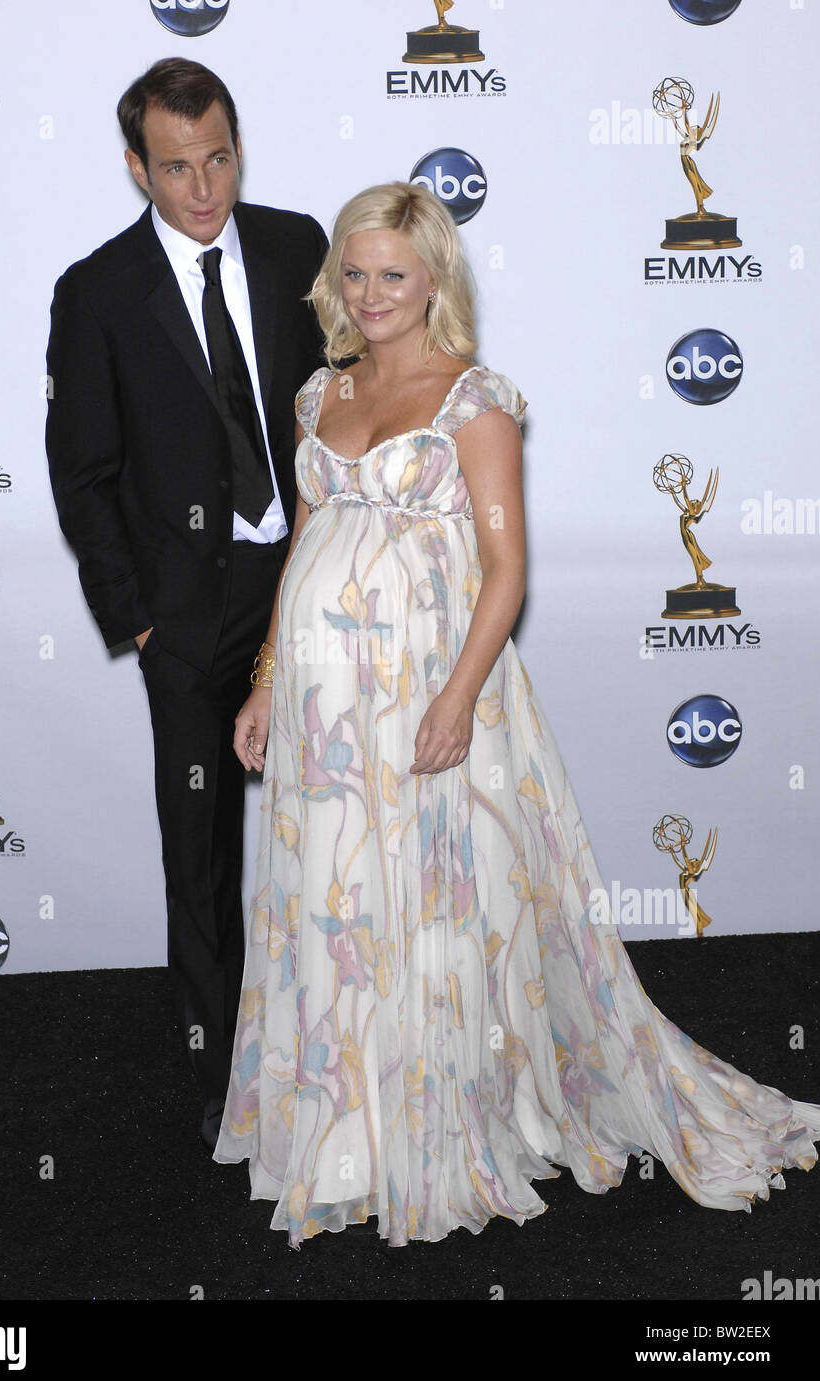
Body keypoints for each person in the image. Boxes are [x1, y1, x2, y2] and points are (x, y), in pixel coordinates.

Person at [212, 181, 820, 1245]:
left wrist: (456, 698)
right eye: (354, 274)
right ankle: (340, 1131)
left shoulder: (474, 402)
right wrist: (266, 676)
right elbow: (303, 547)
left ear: (435, 277)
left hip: (429, 698)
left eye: (393, 274)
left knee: (436, 904)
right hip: (324, 707)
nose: (370, 294)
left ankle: (439, 1125)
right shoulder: (320, 395)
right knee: (338, 902)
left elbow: (506, 569)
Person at [45, 59, 328, 1152]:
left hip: (311, 584)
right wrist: (143, 624)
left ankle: (345, 1040)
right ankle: (226, 1073)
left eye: (218, 157)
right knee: (201, 850)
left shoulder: (301, 245)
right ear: (136, 168)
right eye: (176, 167)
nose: (204, 188)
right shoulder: (99, 291)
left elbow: (342, 396)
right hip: (187, 616)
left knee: (338, 824)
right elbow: (84, 472)